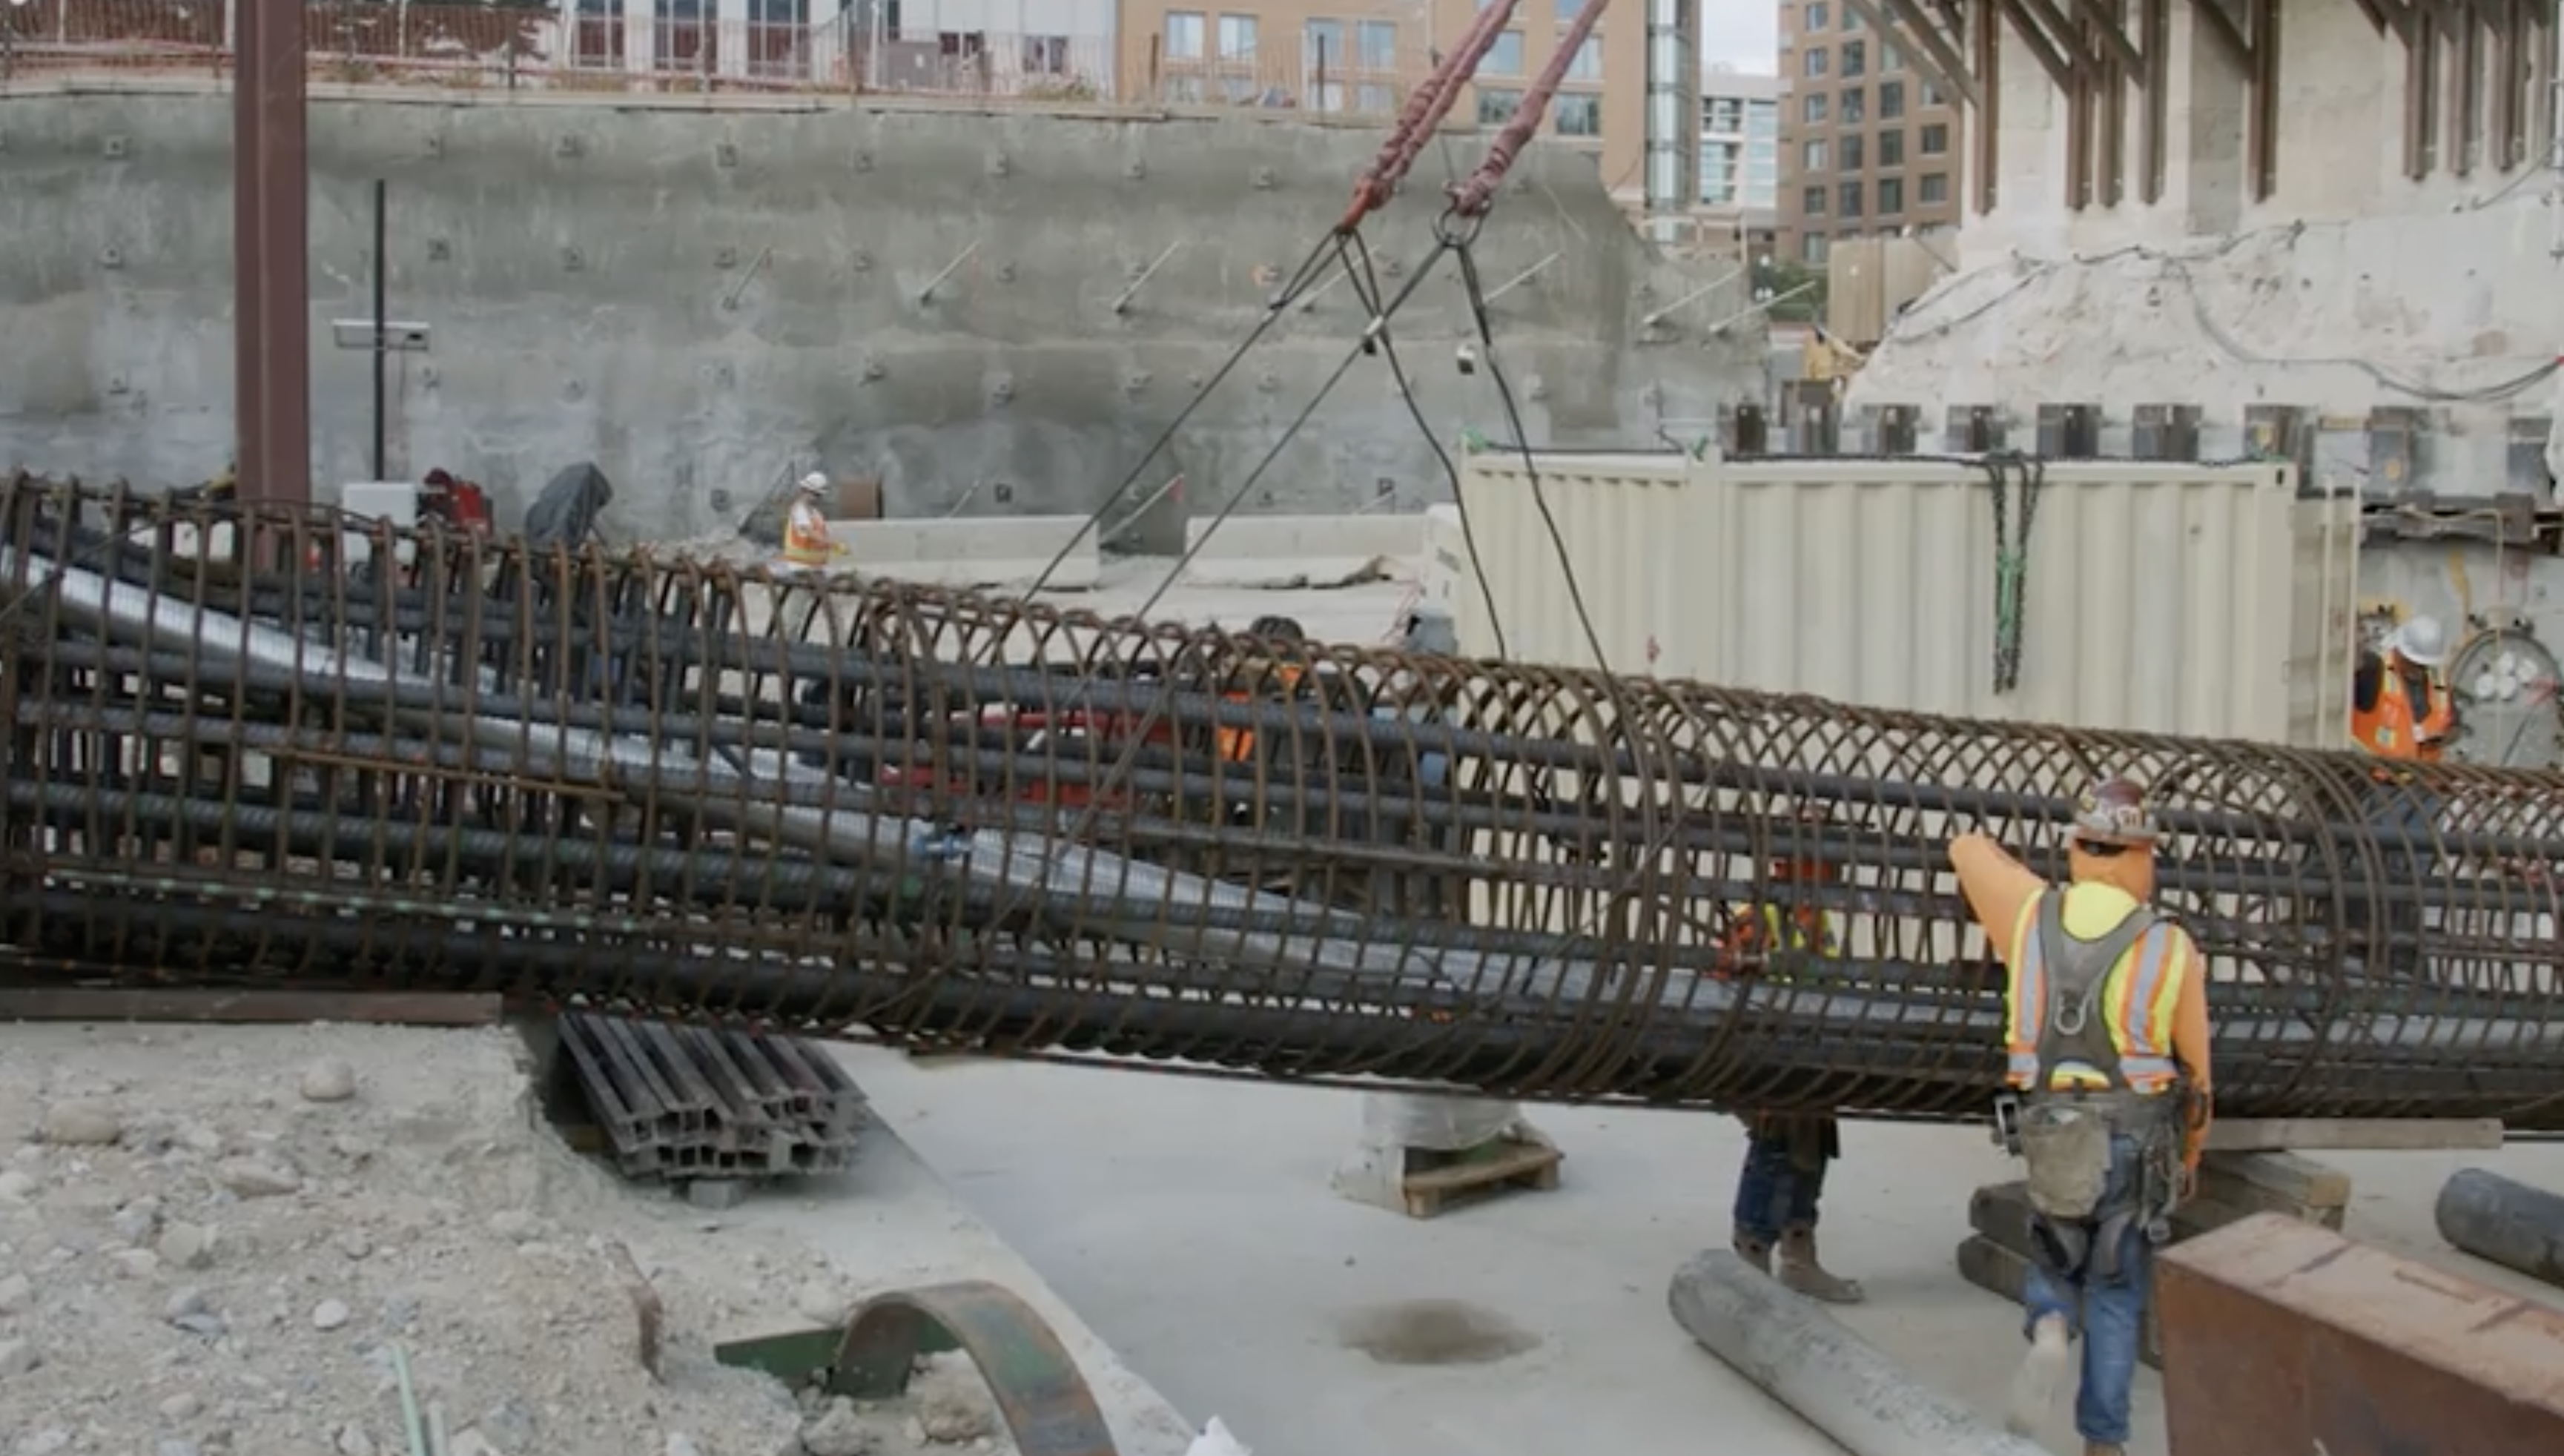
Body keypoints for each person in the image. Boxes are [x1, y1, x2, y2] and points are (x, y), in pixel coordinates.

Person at [1949, 777, 2214, 1456]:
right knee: (2119, 1291)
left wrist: (2042, 881)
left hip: (2050, 1126)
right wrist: (2190, 1157)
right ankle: (2104, 1444)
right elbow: (2201, 1079)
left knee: (2055, 1252)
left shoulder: (2028, 915)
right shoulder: (2170, 946)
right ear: (2134, 857)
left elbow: (1966, 845)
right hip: (2135, 1134)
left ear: (2078, 849)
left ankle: (2049, 1325)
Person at [1722, 802, 1863, 1304]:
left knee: (1813, 1150)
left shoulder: (1816, 915)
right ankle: (1752, 1250)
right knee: (1774, 1150)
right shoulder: (1758, 918)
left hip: (1812, 1058)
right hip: (1769, 1059)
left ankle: (1800, 1253)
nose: (1834, 864)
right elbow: (1719, 986)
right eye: (1822, 853)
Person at [2347, 615, 2458, 976]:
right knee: (2373, 867)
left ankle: (2404, 955)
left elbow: (2446, 723)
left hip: (2424, 791)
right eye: (2413, 662)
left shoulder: (2437, 683)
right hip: (2380, 786)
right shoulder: (2376, 673)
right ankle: (2365, 948)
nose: (2417, 670)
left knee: (2414, 874)